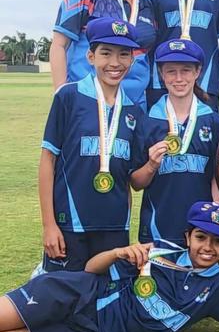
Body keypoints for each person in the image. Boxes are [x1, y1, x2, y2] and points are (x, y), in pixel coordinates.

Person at [0, 201, 219, 332]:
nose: (207, 247)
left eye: (218, 242)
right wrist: (119, 253)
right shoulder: (160, 251)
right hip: (80, 292)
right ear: (188, 237)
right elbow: (91, 269)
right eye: (201, 237)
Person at [40, 17, 144, 272]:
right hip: (70, 224)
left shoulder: (132, 110)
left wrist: (126, 226)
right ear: (90, 56)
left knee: (106, 302)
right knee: (63, 300)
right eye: (106, 53)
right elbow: (47, 161)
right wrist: (49, 225)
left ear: (132, 60)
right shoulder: (68, 96)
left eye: (123, 54)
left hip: (114, 227)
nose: (114, 63)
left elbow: (125, 177)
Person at [131, 39, 219, 246]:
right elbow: (136, 183)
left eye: (186, 70)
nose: (179, 78)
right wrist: (151, 165)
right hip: (158, 227)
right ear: (161, 74)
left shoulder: (214, 121)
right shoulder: (147, 121)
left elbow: (218, 175)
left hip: (202, 229)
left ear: (197, 72)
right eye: (171, 71)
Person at [50, 0, 156, 110]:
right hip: (87, 100)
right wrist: (62, 94)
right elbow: (59, 44)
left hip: (133, 106)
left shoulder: (147, 5)